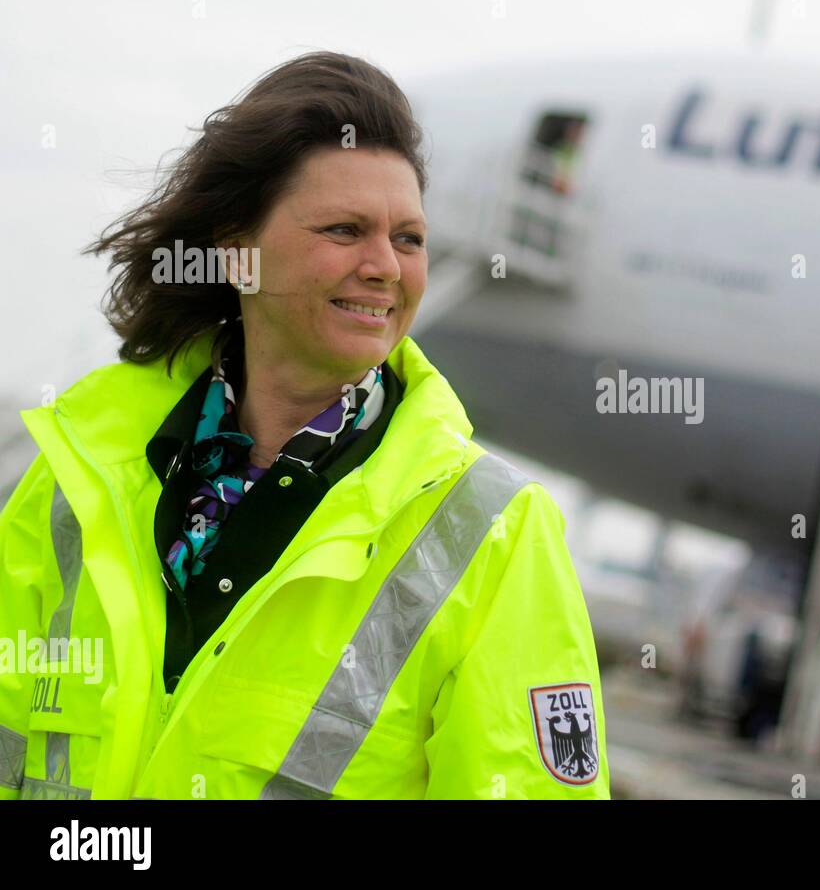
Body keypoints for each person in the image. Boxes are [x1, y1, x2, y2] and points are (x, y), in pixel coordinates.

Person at [0, 51, 608, 799]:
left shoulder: (496, 537)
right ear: (235, 250)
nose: (386, 265)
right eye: (345, 229)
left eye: (410, 239)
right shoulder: (72, 478)